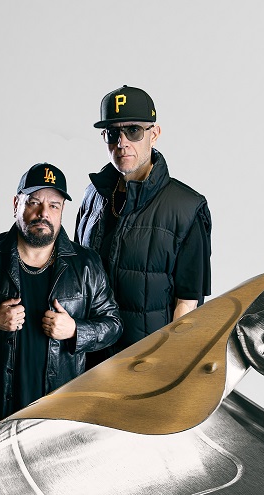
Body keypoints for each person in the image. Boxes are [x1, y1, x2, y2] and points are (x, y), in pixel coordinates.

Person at [0, 163, 122, 426]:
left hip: (61, 411)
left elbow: (114, 325)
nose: (43, 213)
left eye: (54, 205)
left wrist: (76, 330)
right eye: (34, 203)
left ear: (62, 211)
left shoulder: (86, 264)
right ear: (16, 204)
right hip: (0, 408)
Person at [75, 85, 212, 358]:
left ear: (154, 134)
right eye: (113, 133)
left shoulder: (186, 208)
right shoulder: (93, 196)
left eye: (134, 131)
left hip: (146, 363)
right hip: (89, 361)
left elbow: (187, 305)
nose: (122, 142)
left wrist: (168, 366)